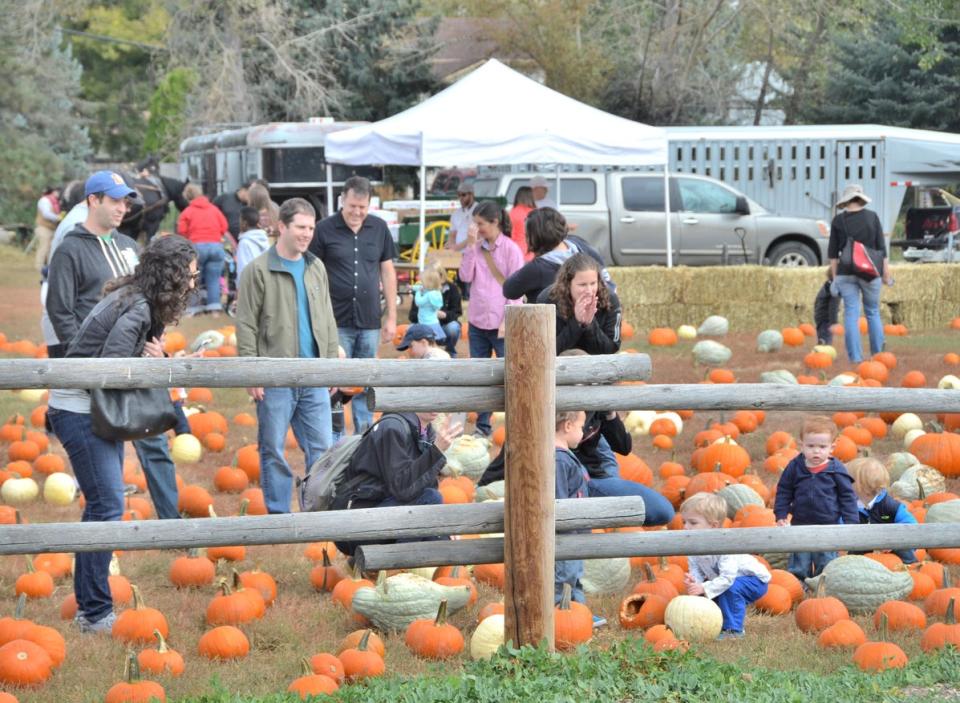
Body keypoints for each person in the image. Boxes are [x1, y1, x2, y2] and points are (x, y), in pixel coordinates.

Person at [47, 235, 198, 633]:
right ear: (172, 276)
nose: (195, 284)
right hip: (79, 409)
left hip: (87, 409)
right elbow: (113, 369)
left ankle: (89, 608)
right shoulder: (138, 308)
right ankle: (94, 612)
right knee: (107, 506)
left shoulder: (137, 299)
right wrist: (153, 362)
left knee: (102, 506)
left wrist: (155, 358)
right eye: (191, 275)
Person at [46, 170, 184, 521]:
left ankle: (173, 525)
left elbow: (151, 301)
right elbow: (60, 311)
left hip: (139, 366)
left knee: (155, 441)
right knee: (108, 476)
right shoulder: (70, 249)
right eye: (115, 200)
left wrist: (157, 343)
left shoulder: (129, 246)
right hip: (98, 374)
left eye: (126, 201)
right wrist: (86, 366)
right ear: (93, 200)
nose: (123, 208)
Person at [237, 198, 339, 514]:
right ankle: (279, 514)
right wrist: (252, 372)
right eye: (300, 227)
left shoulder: (315, 267)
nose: (307, 234)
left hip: (313, 374)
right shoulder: (258, 271)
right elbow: (246, 323)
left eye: (311, 228)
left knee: (322, 450)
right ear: (282, 227)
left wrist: (333, 364)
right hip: (275, 376)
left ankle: (316, 512)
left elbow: (327, 316)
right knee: (273, 450)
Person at [310, 175, 398, 434]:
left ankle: (364, 437)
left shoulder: (379, 228)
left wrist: (391, 316)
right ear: (342, 201)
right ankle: (334, 440)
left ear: (369, 205)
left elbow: (387, 271)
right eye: (352, 207)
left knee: (366, 383)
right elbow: (312, 273)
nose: (357, 212)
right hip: (335, 322)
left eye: (362, 207)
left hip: (370, 320)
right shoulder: (324, 229)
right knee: (335, 383)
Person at [331, 410, 462, 557]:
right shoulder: (392, 427)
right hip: (356, 523)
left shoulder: (426, 431)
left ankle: (369, 563)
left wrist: (443, 525)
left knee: (441, 537)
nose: (436, 404)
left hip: (385, 511)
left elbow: (422, 485)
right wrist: (436, 450)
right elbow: (403, 489)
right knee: (431, 498)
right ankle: (391, 565)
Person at [458, 201, 524, 436]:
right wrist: (470, 247)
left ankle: (516, 423)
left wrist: (509, 320)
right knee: (481, 376)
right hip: (477, 321)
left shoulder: (511, 250)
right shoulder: (476, 247)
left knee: (510, 374)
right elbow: (465, 276)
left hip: (501, 323)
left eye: (480, 223)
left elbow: (516, 288)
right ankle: (483, 427)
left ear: (494, 222)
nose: (476, 228)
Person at [773, 415, 859, 583]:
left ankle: (823, 585)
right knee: (800, 559)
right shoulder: (795, 467)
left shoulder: (836, 470)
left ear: (832, 447)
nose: (816, 451)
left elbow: (847, 497)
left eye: (822, 446)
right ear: (802, 445)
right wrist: (781, 514)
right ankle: (798, 585)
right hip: (801, 523)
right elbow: (784, 491)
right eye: (811, 446)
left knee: (826, 560)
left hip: (828, 525)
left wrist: (851, 522)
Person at [681, 493, 771, 639]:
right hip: (727, 579)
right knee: (712, 593)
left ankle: (734, 630)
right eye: (684, 522)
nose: (686, 527)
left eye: (692, 523)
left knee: (730, 589)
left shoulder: (725, 546)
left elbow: (728, 578)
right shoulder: (693, 547)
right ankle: (716, 625)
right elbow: (696, 570)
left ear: (713, 525)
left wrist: (704, 587)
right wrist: (694, 583)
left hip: (754, 580)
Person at [828, 184, 893, 363]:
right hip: (870, 272)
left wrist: (835, 278)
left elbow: (833, 254)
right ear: (861, 198)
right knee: (872, 312)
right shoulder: (872, 217)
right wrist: (886, 273)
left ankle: (856, 359)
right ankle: (878, 355)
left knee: (851, 313)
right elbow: (881, 248)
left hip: (846, 271)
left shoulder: (838, 221)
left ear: (846, 201)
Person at [502, 208, 611, 304]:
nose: (526, 239)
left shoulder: (537, 268)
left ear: (536, 237)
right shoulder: (579, 243)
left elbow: (508, 290)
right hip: (592, 321)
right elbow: (608, 283)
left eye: (527, 235)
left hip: (552, 325)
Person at [537, 253, 622, 355]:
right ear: (568, 284)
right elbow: (546, 350)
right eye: (582, 285)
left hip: (597, 364)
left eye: (593, 283)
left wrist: (589, 324)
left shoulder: (610, 300)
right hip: (560, 364)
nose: (589, 291)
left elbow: (610, 349)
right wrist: (576, 323)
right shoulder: (548, 300)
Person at [846, 457, 917, 565]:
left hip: (892, 550)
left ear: (862, 488)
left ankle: (911, 566)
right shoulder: (850, 507)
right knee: (852, 561)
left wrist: (894, 541)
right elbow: (840, 524)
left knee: (905, 552)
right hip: (862, 546)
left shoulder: (890, 506)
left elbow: (911, 527)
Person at [177, 183, 232, 315]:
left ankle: (193, 309)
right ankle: (214, 309)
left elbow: (182, 231)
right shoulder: (214, 209)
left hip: (196, 248)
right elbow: (224, 226)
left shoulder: (187, 212)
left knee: (194, 279)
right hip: (216, 246)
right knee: (213, 278)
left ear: (187, 197)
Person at [408, 259, 462, 357]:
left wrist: (444, 315)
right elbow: (412, 315)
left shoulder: (452, 289)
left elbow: (457, 312)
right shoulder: (422, 290)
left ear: (441, 276)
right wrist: (425, 313)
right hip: (424, 324)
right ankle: (420, 355)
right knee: (410, 328)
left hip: (443, 326)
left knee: (453, 327)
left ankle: (450, 353)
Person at [411, 268, 446, 343]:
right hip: (434, 323)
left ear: (428, 283)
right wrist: (412, 287)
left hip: (426, 323)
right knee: (432, 343)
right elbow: (421, 288)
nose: (421, 283)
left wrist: (417, 292)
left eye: (423, 281)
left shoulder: (429, 295)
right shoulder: (436, 292)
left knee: (426, 343)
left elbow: (418, 302)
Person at [235, 206, 269, 280]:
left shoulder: (244, 242)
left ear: (244, 223)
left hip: (249, 284)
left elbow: (243, 268)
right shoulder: (264, 239)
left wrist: (240, 286)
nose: (238, 223)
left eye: (240, 220)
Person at [34, 186, 61, 273]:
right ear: (53, 192)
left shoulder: (54, 202)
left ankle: (47, 266)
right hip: (43, 228)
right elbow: (46, 214)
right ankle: (39, 266)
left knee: (50, 248)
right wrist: (58, 217)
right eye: (57, 192)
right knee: (44, 247)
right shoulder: (45, 200)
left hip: (51, 228)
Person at [446, 182, 477, 253]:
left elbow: (477, 235)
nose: (460, 198)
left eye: (463, 195)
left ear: (471, 194)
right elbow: (452, 234)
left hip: (473, 253)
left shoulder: (478, 210)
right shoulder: (455, 214)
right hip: (458, 254)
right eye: (458, 195)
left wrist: (457, 247)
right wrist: (451, 245)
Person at [509, 186, 536, 261]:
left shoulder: (513, 212)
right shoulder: (536, 212)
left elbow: (511, 235)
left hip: (517, 251)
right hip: (534, 251)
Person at [814, 268, 840, 345]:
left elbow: (817, 300)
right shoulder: (835, 289)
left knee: (822, 335)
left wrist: (817, 313)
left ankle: (821, 345)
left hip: (819, 316)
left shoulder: (827, 284)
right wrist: (833, 322)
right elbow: (833, 306)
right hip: (826, 318)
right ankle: (822, 349)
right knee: (826, 338)